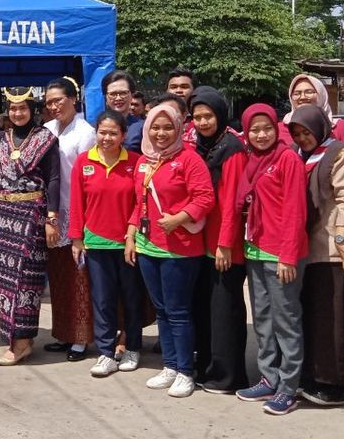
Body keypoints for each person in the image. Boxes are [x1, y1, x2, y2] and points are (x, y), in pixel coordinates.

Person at [125, 104, 214, 398]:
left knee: (178, 311)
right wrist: (131, 235)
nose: (160, 133)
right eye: (155, 127)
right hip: (148, 245)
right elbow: (139, 203)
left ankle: (186, 371)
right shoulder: (143, 162)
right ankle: (171, 366)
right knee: (162, 310)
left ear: (178, 129)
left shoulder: (189, 159)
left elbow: (205, 198)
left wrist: (179, 218)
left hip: (180, 249)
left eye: (167, 128)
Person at [231, 104, 309, 415]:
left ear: (276, 129)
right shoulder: (252, 160)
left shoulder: (287, 158)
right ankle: (269, 376)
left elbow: (295, 210)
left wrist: (288, 256)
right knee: (262, 318)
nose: (261, 134)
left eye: (266, 128)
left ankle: (289, 387)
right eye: (254, 129)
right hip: (255, 249)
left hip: (281, 254)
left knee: (286, 320)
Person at [287, 105, 344, 407]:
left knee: (330, 318)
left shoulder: (339, 154)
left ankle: (333, 383)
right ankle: (311, 375)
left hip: (329, 248)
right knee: (311, 317)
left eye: (308, 132)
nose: (304, 138)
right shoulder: (298, 155)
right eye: (298, 133)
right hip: (303, 247)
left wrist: (342, 237)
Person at [0, 87, 61, 366]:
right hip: (4, 214)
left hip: (32, 214)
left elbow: (53, 179)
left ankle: (24, 341)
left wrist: (52, 219)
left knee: (27, 279)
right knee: (5, 280)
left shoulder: (45, 139)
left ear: (32, 110)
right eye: (13, 108)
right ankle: (11, 338)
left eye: (23, 108)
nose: (18, 113)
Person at [69, 111, 142, 378]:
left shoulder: (135, 162)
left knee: (132, 298)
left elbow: (140, 203)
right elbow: (77, 203)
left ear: (123, 135)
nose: (107, 138)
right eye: (102, 132)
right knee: (102, 300)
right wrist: (76, 237)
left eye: (113, 133)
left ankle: (133, 347)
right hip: (95, 243)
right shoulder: (83, 162)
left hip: (128, 245)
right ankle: (106, 353)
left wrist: (132, 236)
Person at [188, 86, 250, 394]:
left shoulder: (232, 148)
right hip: (202, 244)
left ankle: (228, 376)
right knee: (206, 310)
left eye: (207, 115)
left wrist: (225, 243)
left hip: (225, 246)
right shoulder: (201, 146)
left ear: (220, 115)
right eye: (197, 117)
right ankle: (208, 368)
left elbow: (232, 202)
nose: (201, 122)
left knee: (225, 312)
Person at [43, 77, 97, 362]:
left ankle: (80, 338)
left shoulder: (85, 133)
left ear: (73, 99)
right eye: (49, 102)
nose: (53, 106)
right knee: (59, 277)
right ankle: (63, 333)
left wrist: (79, 220)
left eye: (58, 101)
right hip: (52, 213)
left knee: (79, 277)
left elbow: (86, 178)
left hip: (77, 212)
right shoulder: (48, 130)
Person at [279, 74, 344, 163]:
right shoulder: (279, 130)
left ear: (321, 94)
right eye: (296, 93)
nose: (303, 97)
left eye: (309, 92)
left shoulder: (342, 128)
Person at [101, 70, 142, 152]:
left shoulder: (142, 127)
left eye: (123, 93)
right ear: (105, 97)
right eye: (113, 94)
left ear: (132, 95)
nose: (118, 98)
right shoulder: (97, 127)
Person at [166, 69, 198, 145]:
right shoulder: (158, 117)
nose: (178, 90)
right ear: (166, 91)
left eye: (184, 87)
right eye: (173, 87)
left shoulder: (200, 118)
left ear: (194, 90)